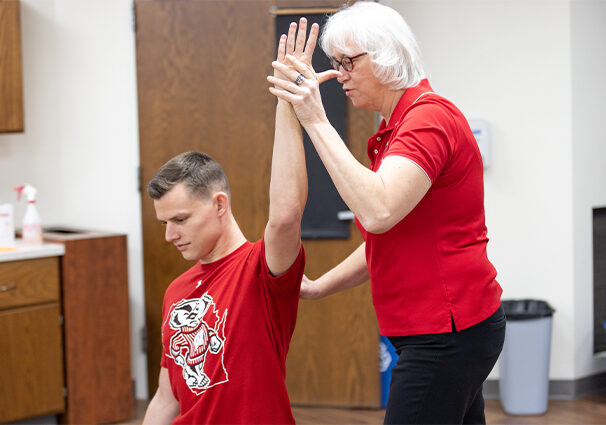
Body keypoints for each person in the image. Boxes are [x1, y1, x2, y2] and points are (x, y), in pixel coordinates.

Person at [267, 2, 505, 424]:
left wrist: (315, 117)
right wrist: (320, 286)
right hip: (447, 333)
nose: (340, 75)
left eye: (348, 63)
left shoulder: (428, 120)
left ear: (386, 56)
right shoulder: (399, 127)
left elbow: (377, 211)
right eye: (336, 63)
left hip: (445, 336)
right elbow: (387, 239)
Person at [141, 19, 318, 425]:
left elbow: (286, 215)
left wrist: (286, 102)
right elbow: (166, 400)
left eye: (181, 219)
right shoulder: (177, 291)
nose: (170, 235)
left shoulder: (262, 269)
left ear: (219, 204)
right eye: (164, 223)